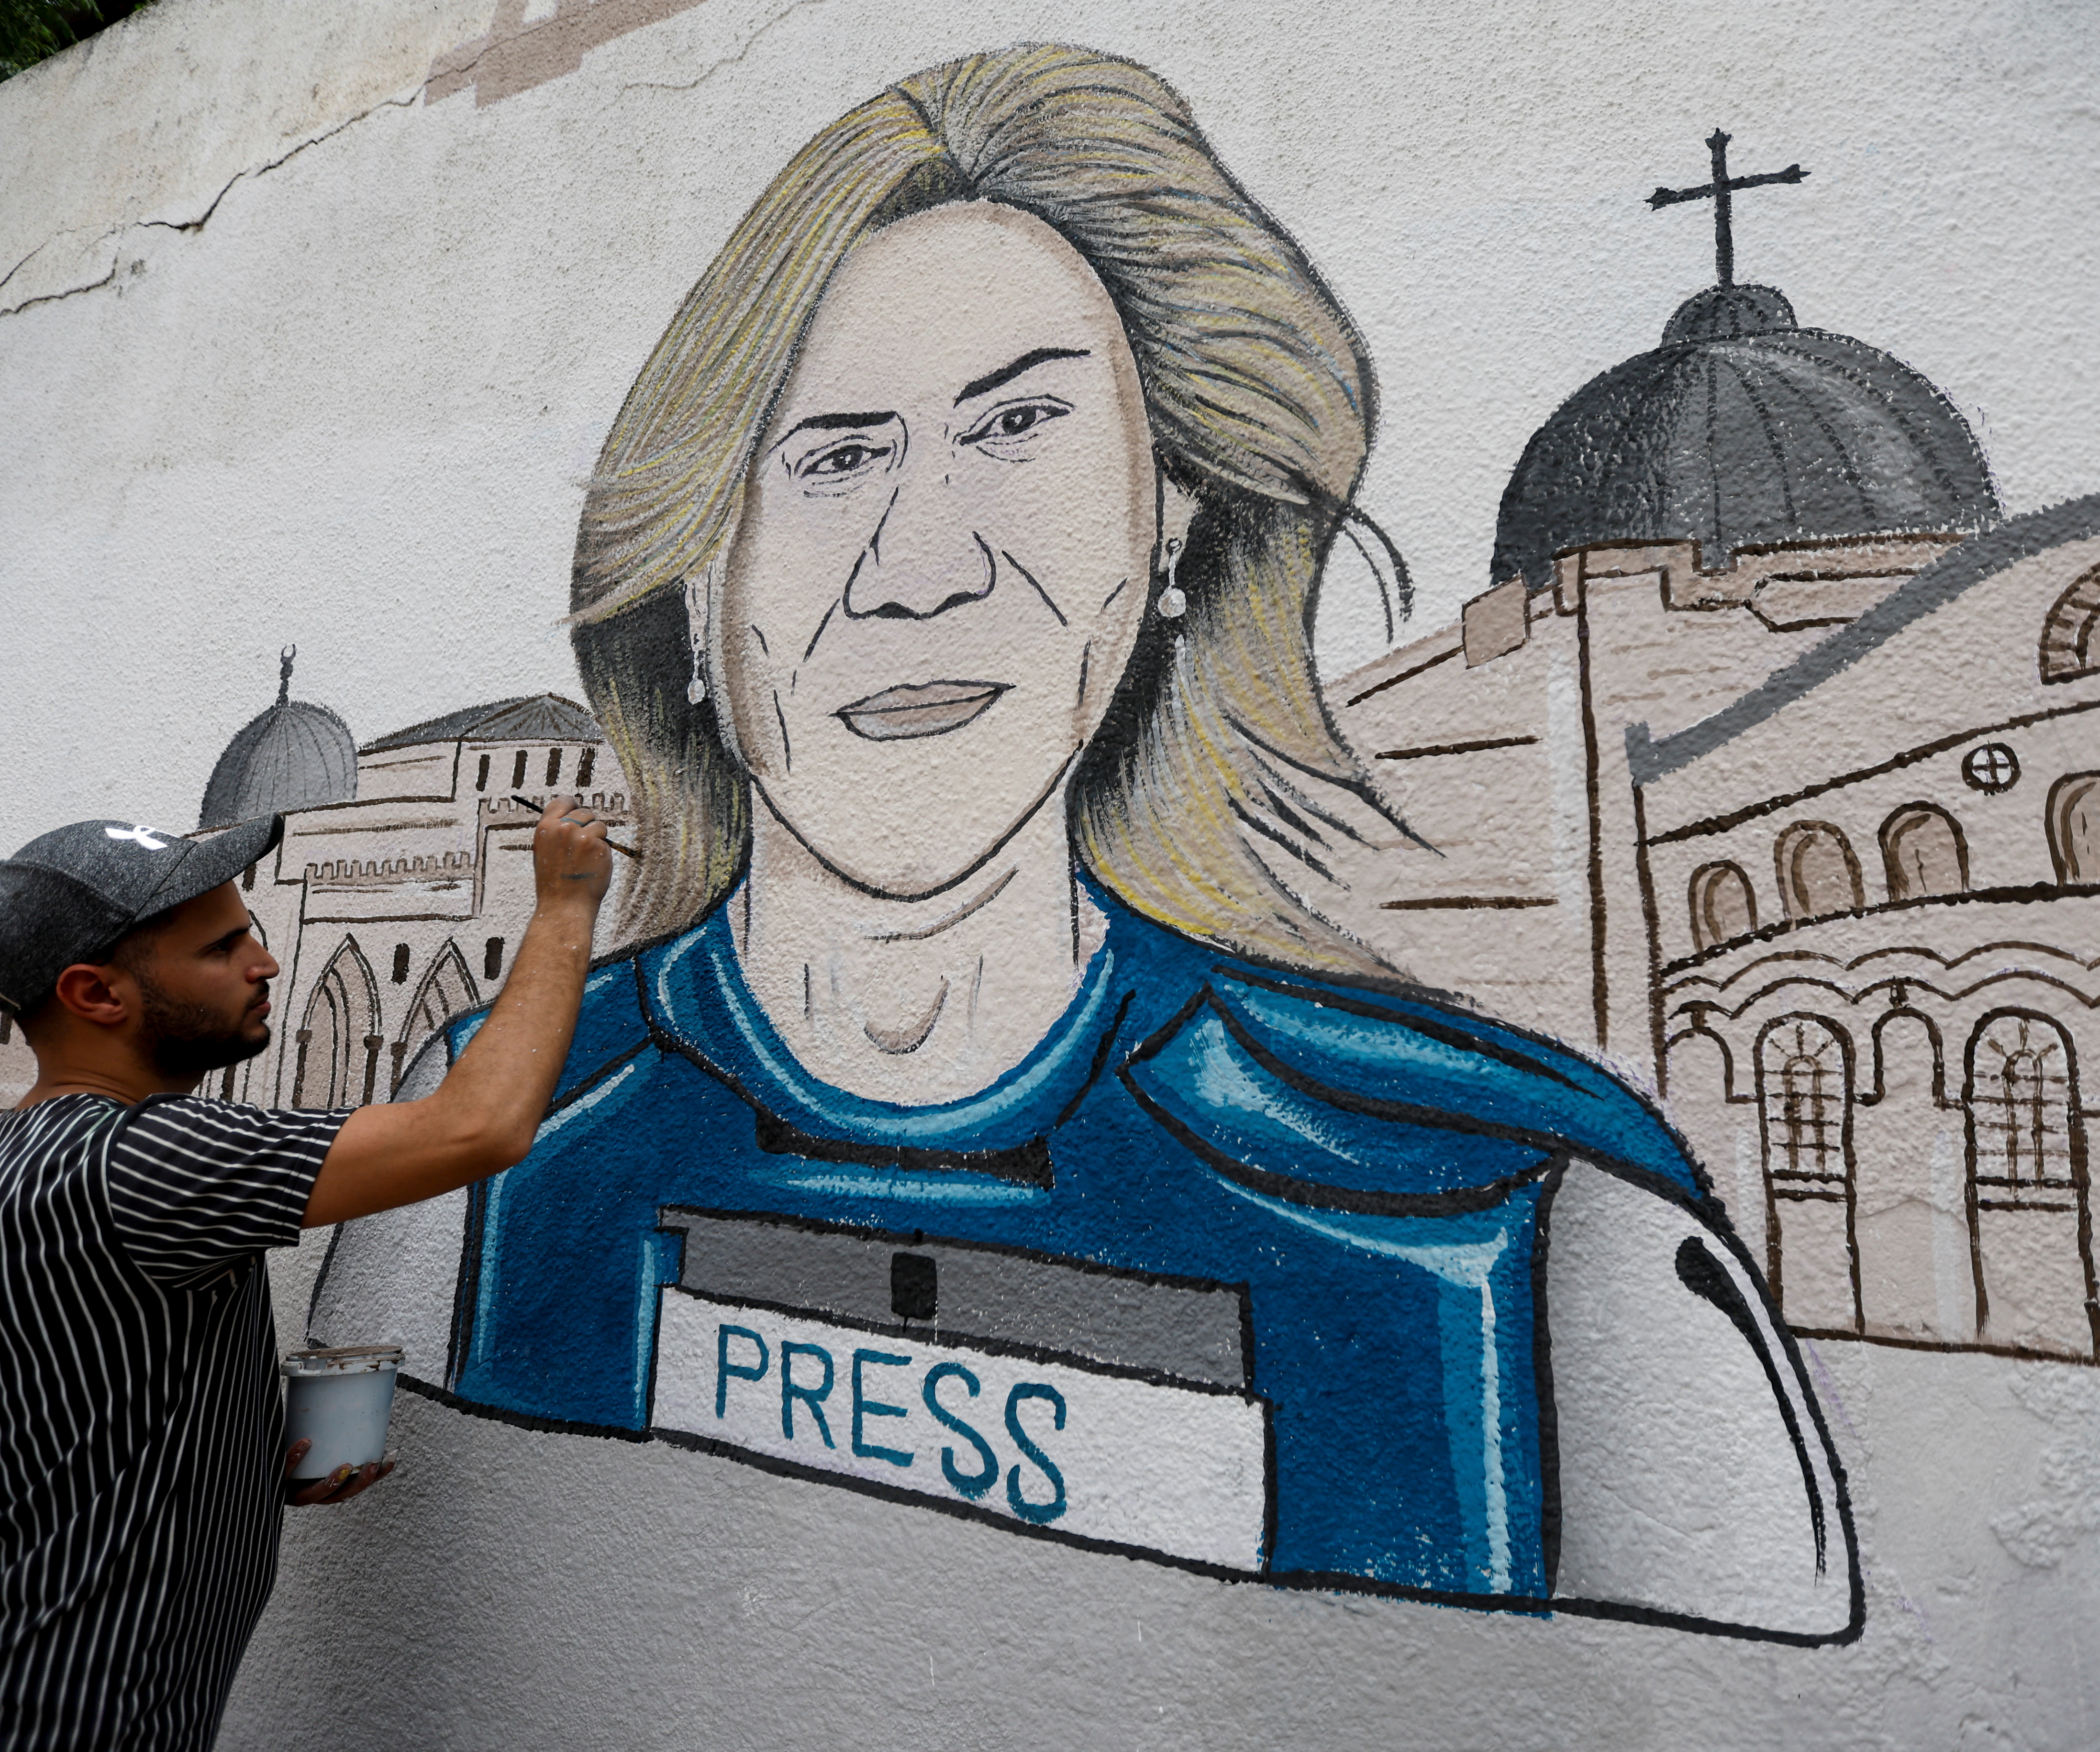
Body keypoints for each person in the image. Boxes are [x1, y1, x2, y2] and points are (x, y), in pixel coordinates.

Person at [318, 43, 1860, 1640]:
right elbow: (334, 1562)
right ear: (696, 579)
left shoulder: (1540, 1226)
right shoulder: (475, 1160)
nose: (920, 569)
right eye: (835, 456)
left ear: (1170, 522)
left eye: (1020, 429)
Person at [0, 799, 611, 1751]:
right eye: (221, 948)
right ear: (96, 995)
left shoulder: (26, 1157)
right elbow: (477, 1127)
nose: (266, 963)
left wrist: (229, 1470)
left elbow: (43, 1443)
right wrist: (565, 904)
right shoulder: (137, 1160)